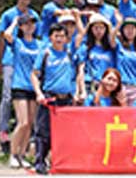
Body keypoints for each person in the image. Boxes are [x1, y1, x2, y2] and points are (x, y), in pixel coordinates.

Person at [0, 0, 40, 155]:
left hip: (28, 60)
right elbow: (2, 37)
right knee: (8, 96)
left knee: (30, 103)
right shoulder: (9, 14)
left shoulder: (34, 15)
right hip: (10, 58)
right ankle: (3, 129)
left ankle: (26, 140)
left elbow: (37, 36)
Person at [31, 24, 76, 175]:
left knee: (65, 133)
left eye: (62, 36)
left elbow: (77, 73)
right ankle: (40, 162)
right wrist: (39, 93)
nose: (59, 39)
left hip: (67, 99)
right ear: (50, 37)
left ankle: (60, 161)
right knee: (43, 132)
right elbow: (34, 74)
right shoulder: (45, 53)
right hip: (49, 97)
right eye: (56, 36)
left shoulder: (69, 53)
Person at [3, 13, 42, 168]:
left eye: (32, 23)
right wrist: (14, 22)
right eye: (26, 24)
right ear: (21, 26)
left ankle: (22, 154)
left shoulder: (40, 44)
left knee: (30, 123)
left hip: (34, 87)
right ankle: (13, 154)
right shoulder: (18, 43)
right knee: (23, 122)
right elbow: (6, 35)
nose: (30, 26)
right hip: (19, 84)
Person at [77, 13, 116, 95]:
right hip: (90, 85)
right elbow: (81, 70)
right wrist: (82, 91)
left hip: (108, 86)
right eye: (96, 28)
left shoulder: (111, 48)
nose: (99, 30)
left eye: (102, 27)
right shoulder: (85, 47)